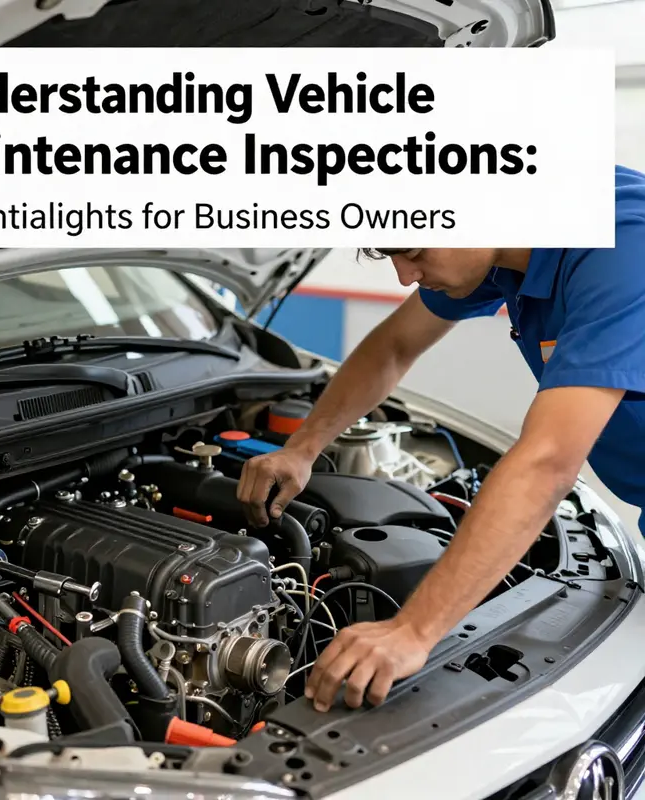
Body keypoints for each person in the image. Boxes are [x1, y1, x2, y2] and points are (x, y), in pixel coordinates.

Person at [236, 163, 645, 713]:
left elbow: (547, 461)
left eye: (414, 249)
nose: (405, 276)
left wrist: (414, 631)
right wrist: (303, 448)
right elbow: (393, 347)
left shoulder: (620, 248)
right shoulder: (504, 253)